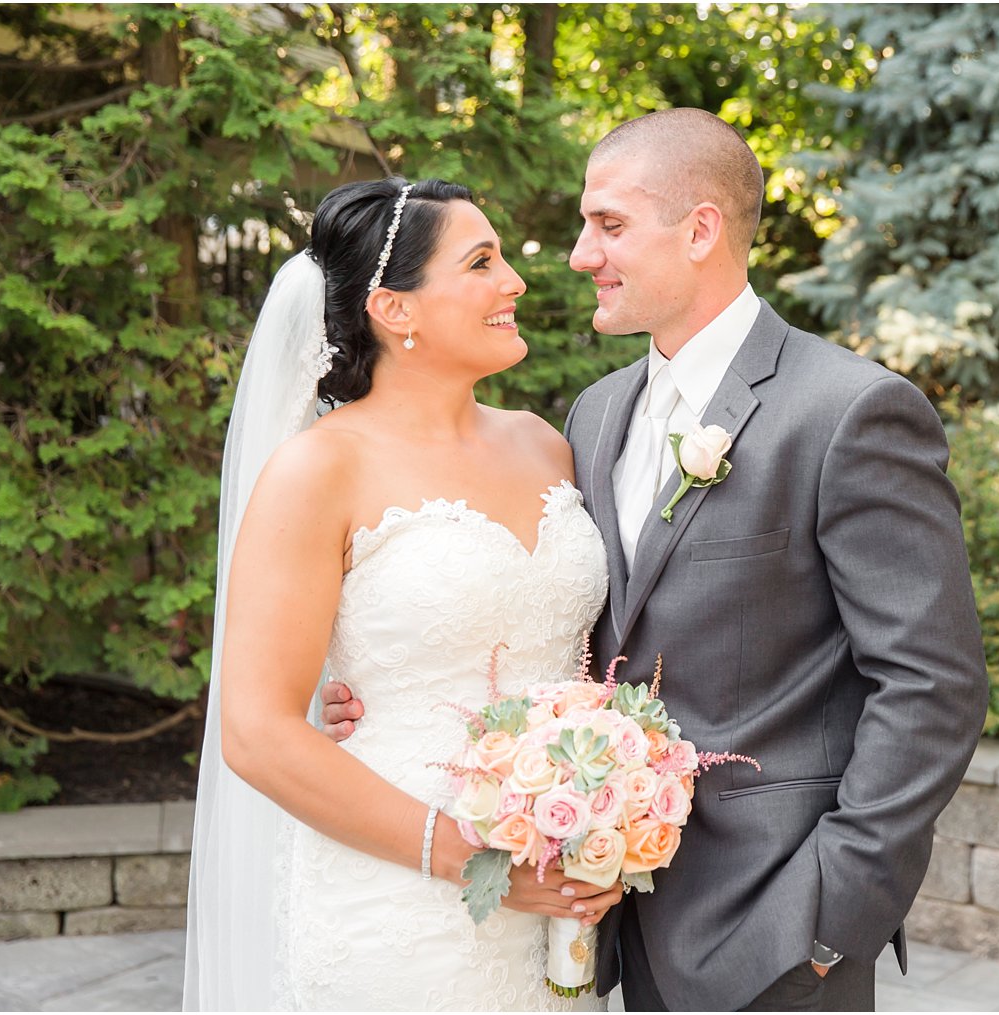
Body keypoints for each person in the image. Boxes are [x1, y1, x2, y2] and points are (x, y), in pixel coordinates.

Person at [324, 108, 989, 1011]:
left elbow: (932, 686)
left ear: (702, 228)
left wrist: (833, 916)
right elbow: (572, 630)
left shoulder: (850, 410)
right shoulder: (594, 415)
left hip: (779, 926)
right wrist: (376, 685)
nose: (577, 254)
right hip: (613, 918)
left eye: (610, 224)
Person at [183, 177, 622, 1011]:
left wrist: (610, 797)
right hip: (397, 897)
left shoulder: (544, 445)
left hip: (555, 885)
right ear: (396, 309)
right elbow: (256, 731)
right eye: (482, 262)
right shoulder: (320, 468)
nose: (516, 282)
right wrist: (477, 859)